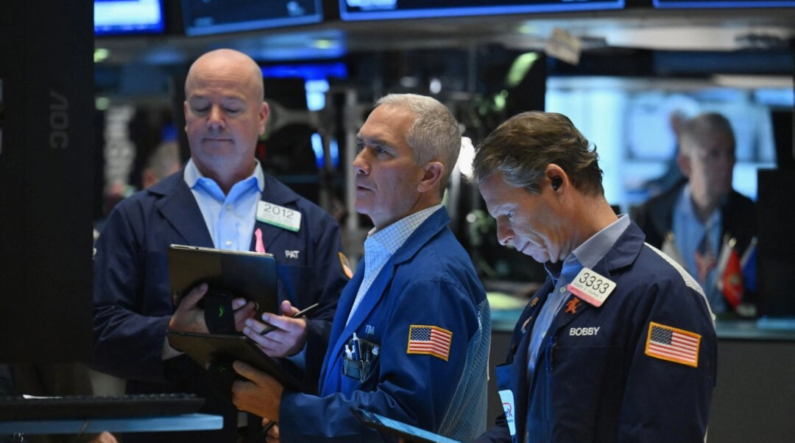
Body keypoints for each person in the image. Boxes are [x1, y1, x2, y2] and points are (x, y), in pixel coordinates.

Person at [92, 49, 349, 443]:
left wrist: (300, 339)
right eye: (200, 108)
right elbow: (96, 330)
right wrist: (172, 334)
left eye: (231, 108)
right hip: (168, 433)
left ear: (262, 117)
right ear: (185, 114)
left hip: (275, 432)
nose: (214, 121)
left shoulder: (312, 224)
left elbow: (344, 336)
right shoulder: (135, 218)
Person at [230, 94, 491, 442]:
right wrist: (305, 343)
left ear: (429, 175)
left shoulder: (432, 279)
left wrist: (287, 411)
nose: (358, 163)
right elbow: (363, 370)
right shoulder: (388, 252)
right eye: (361, 146)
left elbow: (404, 421)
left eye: (380, 151)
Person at [472, 112, 716, 442]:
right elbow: (517, 429)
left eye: (509, 214)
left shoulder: (666, 294)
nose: (503, 236)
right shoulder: (548, 297)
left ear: (555, 181)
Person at [633, 112, 756, 316]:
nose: (726, 163)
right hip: (668, 333)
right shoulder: (652, 215)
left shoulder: (749, 215)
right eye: (713, 154)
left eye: (731, 152)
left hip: (735, 340)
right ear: (686, 164)